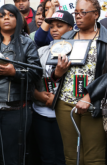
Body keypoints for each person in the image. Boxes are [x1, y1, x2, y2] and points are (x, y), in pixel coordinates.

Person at [0, 4, 42, 165]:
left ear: (18, 19)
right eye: (2, 15)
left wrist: (15, 73)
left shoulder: (27, 44)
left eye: (11, 15)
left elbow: (36, 73)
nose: (6, 18)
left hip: (16, 109)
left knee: (12, 156)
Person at [50, 0, 106, 165]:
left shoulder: (104, 39)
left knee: (94, 158)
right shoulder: (68, 36)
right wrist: (58, 72)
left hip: (93, 103)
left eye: (83, 12)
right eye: (76, 13)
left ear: (96, 14)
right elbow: (54, 72)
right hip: (65, 103)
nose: (78, 16)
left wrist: (89, 97)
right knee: (71, 156)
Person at [32, 10, 74, 165]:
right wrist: (37, 95)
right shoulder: (41, 51)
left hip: (66, 115)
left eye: (60, 26)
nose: (54, 29)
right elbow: (31, 81)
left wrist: (57, 99)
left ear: (70, 28)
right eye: (52, 26)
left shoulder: (79, 52)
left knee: (64, 158)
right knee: (46, 157)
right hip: (41, 113)